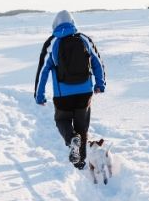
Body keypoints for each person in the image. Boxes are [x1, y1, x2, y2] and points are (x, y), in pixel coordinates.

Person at [34, 10, 106, 169]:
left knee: (62, 120)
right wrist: (100, 84)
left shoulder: (52, 43)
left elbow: (43, 71)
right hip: (84, 93)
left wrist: (39, 95)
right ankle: (80, 163)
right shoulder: (84, 39)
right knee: (82, 126)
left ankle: (71, 138)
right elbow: (97, 62)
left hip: (63, 95)